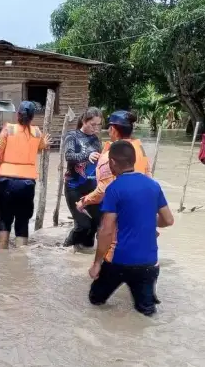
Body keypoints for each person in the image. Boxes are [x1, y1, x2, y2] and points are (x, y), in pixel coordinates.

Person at [88, 140, 174, 316]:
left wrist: (96, 263)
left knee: (95, 301)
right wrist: (145, 220)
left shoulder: (114, 189)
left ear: (112, 162)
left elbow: (106, 231)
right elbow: (168, 220)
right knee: (146, 313)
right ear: (134, 160)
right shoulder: (153, 185)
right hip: (149, 263)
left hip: (119, 261)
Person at [0, 101, 51, 249]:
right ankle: (21, 255)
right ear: (32, 117)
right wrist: (45, 144)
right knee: (23, 220)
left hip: (6, 181)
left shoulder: (8, 129)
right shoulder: (37, 133)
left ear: (18, 115)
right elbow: (41, 146)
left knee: (5, 219)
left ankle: (2, 252)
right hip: (27, 183)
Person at [77, 110, 150, 212]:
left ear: (113, 129)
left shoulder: (110, 156)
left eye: (109, 128)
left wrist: (84, 201)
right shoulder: (140, 148)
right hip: (142, 205)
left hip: (121, 209)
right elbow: (148, 175)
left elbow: (103, 191)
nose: (108, 131)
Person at [62, 107, 104, 250]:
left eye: (98, 125)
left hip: (92, 188)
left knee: (96, 223)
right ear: (84, 121)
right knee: (83, 225)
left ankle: (83, 254)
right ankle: (65, 248)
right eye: (93, 124)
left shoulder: (96, 140)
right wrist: (87, 156)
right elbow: (69, 156)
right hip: (74, 188)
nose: (96, 128)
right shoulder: (72, 136)